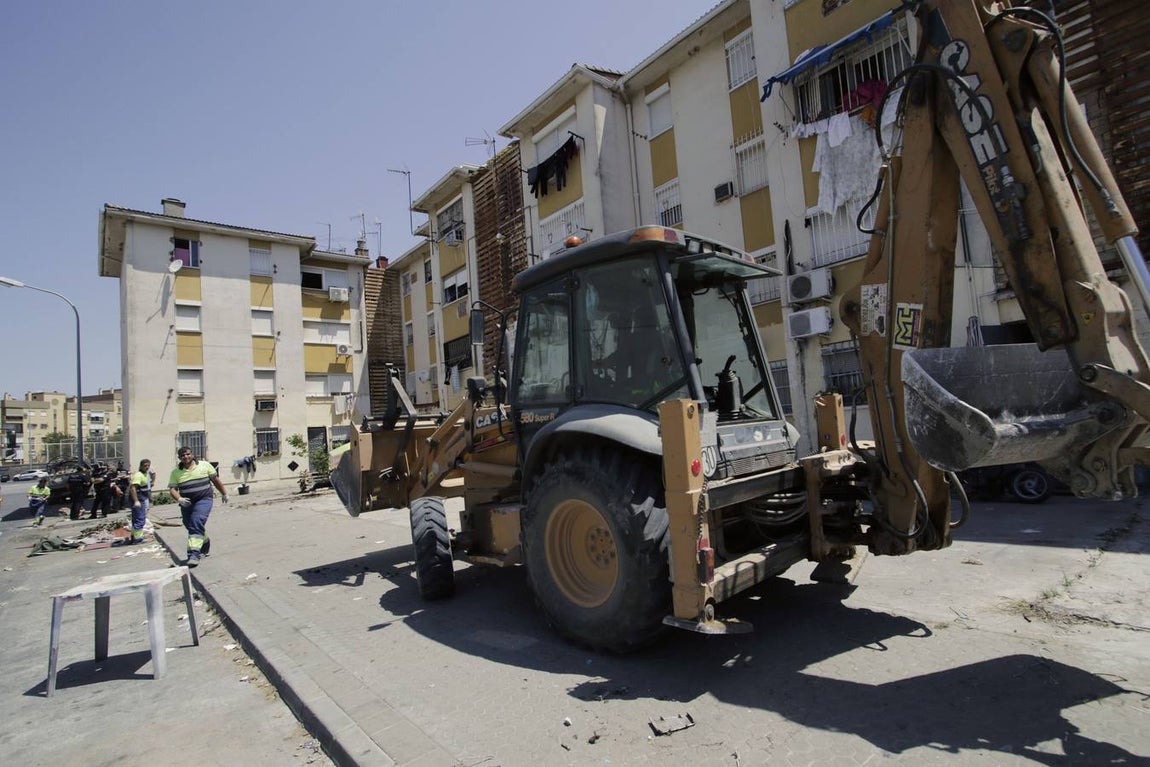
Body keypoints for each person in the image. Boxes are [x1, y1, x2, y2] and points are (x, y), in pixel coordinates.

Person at [168, 447, 228, 567]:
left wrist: (224, 493)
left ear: (192, 454)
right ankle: (204, 542)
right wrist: (179, 498)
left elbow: (215, 480)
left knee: (196, 522)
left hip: (204, 499)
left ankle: (194, 554)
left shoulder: (205, 465)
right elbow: (172, 489)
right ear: (179, 458)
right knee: (189, 524)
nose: (186, 457)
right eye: (183, 455)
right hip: (187, 502)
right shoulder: (175, 472)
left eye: (188, 454)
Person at [128, 458, 155, 544]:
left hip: (143, 498)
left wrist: (150, 498)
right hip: (138, 499)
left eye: (148, 466)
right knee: (140, 518)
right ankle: (138, 538)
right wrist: (136, 501)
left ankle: (134, 536)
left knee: (136, 518)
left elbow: (148, 487)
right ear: (141, 466)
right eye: (145, 466)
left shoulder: (145, 474)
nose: (147, 467)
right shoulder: (138, 475)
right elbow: (133, 488)